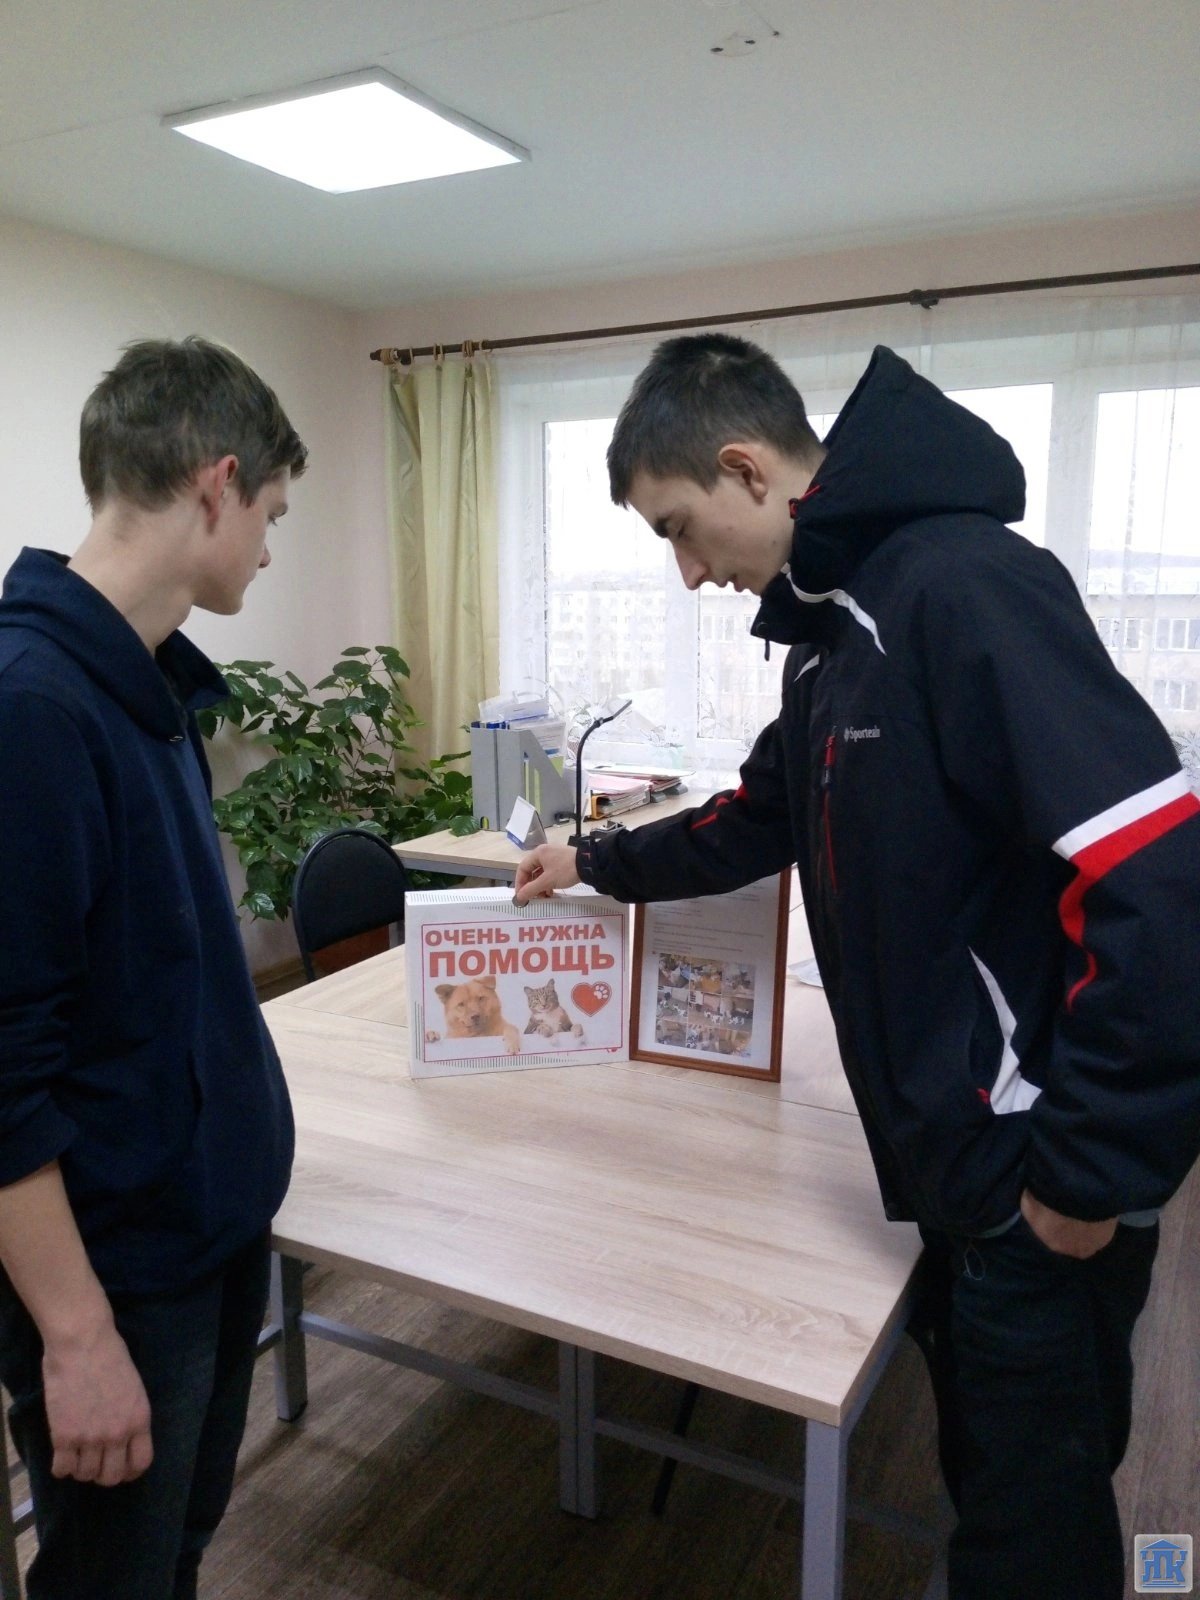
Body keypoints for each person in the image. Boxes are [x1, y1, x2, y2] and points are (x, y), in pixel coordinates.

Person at [514, 332, 1200, 1600]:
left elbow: (1157, 876)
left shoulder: (960, 588)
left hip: (1031, 1170)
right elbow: (753, 818)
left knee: (1036, 1523)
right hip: (957, 1162)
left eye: (680, 529)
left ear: (746, 469)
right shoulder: (831, 640)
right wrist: (594, 860)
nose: (688, 572)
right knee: (994, 1480)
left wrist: (1084, 1176)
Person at [0, 337, 307, 1599]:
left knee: (172, 1552)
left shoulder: (149, 685)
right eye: (272, 513)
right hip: (121, 1272)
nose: (270, 548)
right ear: (217, 485)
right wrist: (76, 1337)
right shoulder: (31, 706)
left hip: (208, 1229)